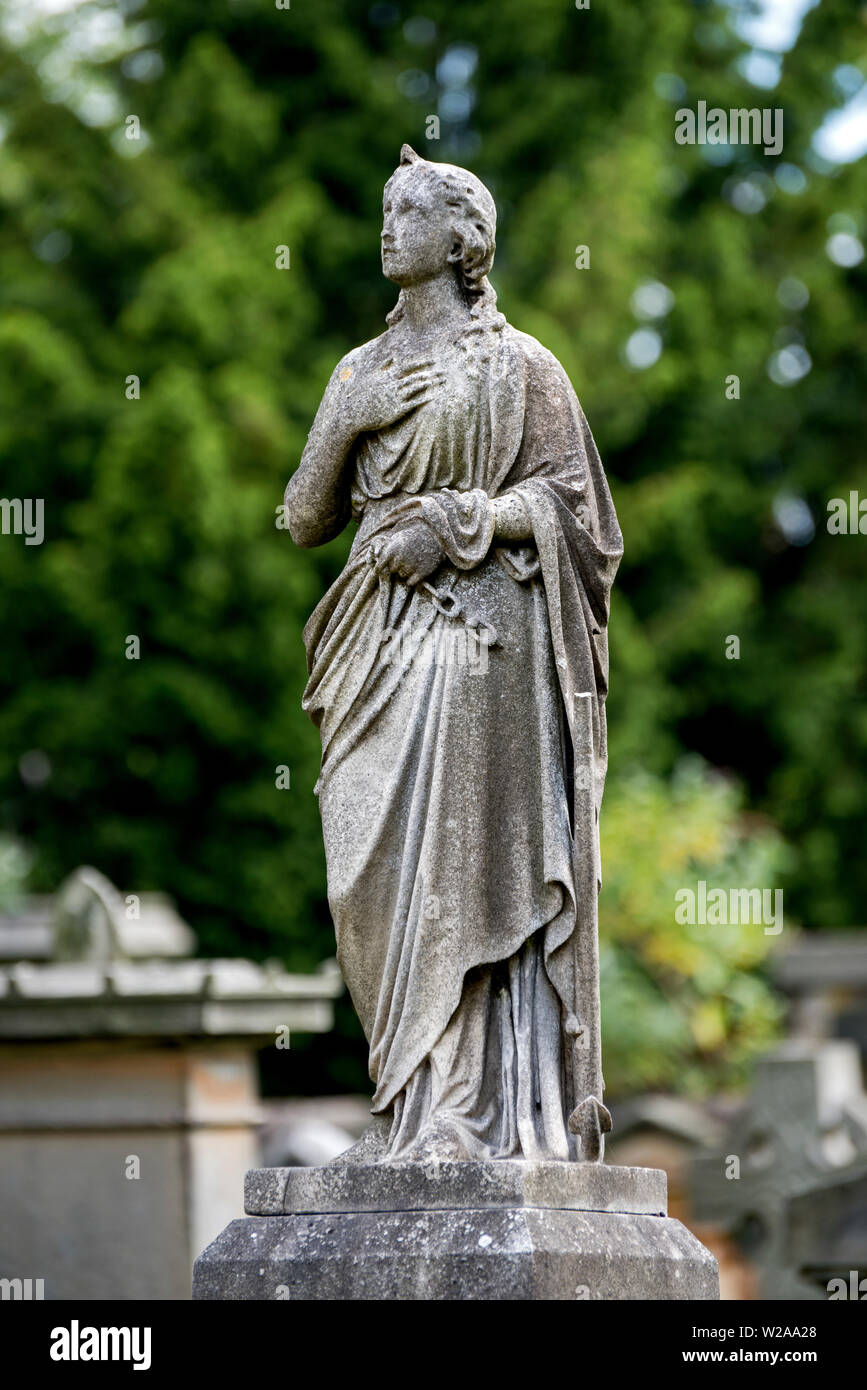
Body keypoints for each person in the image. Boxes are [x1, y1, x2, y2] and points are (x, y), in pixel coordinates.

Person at [284, 145, 622, 1163]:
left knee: (468, 868)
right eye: (385, 212)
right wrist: (343, 425)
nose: (388, 229)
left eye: (410, 211)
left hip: (484, 650)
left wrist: (460, 521)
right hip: (373, 641)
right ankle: (404, 1101)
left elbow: (582, 519)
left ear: (463, 238)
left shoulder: (525, 368)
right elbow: (305, 518)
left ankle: (467, 1114)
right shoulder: (358, 371)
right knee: (367, 869)